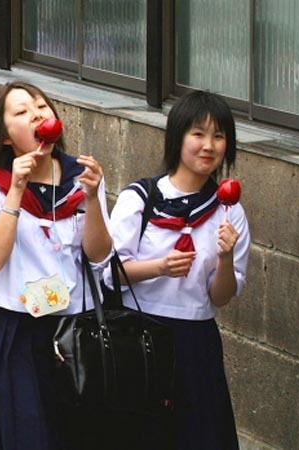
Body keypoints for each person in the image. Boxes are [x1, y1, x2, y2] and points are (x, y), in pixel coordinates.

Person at [0, 81, 112, 450]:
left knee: (79, 433)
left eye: (42, 107)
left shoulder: (83, 176)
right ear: (6, 137)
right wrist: (15, 190)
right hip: (20, 328)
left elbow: (99, 255)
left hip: (77, 326)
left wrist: (92, 199)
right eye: (22, 112)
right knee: (27, 435)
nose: (37, 115)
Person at [106, 90, 251, 450]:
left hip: (195, 341)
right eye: (198, 134)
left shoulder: (229, 212)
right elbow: (110, 273)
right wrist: (159, 267)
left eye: (219, 136)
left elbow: (221, 297)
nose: (209, 146)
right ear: (177, 138)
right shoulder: (140, 198)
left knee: (198, 436)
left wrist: (226, 257)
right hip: (139, 335)